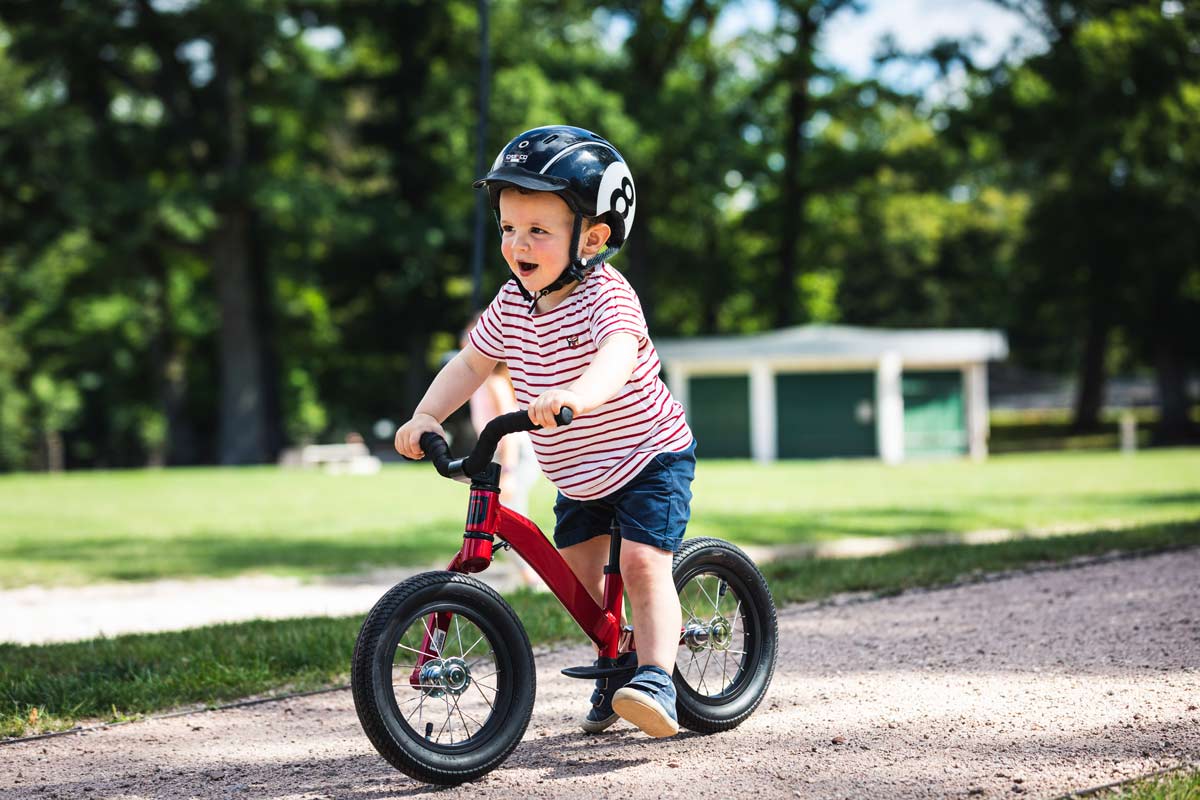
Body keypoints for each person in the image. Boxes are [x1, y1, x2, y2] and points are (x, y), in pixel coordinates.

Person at [395, 125, 695, 739]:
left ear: (593, 237)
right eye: (508, 228)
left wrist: (579, 395)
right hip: (578, 474)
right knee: (580, 587)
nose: (517, 243)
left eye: (538, 230)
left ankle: (658, 678)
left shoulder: (608, 296)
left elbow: (615, 357)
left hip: (646, 457)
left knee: (641, 566)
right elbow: (472, 363)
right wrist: (427, 415)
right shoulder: (512, 302)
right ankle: (619, 663)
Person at [460, 315, 544, 588]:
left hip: (513, 457)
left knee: (510, 514)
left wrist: (507, 472)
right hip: (499, 457)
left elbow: (509, 432)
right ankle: (526, 575)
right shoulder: (478, 383)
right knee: (500, 516)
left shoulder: (495, 383)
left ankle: (535, 577)